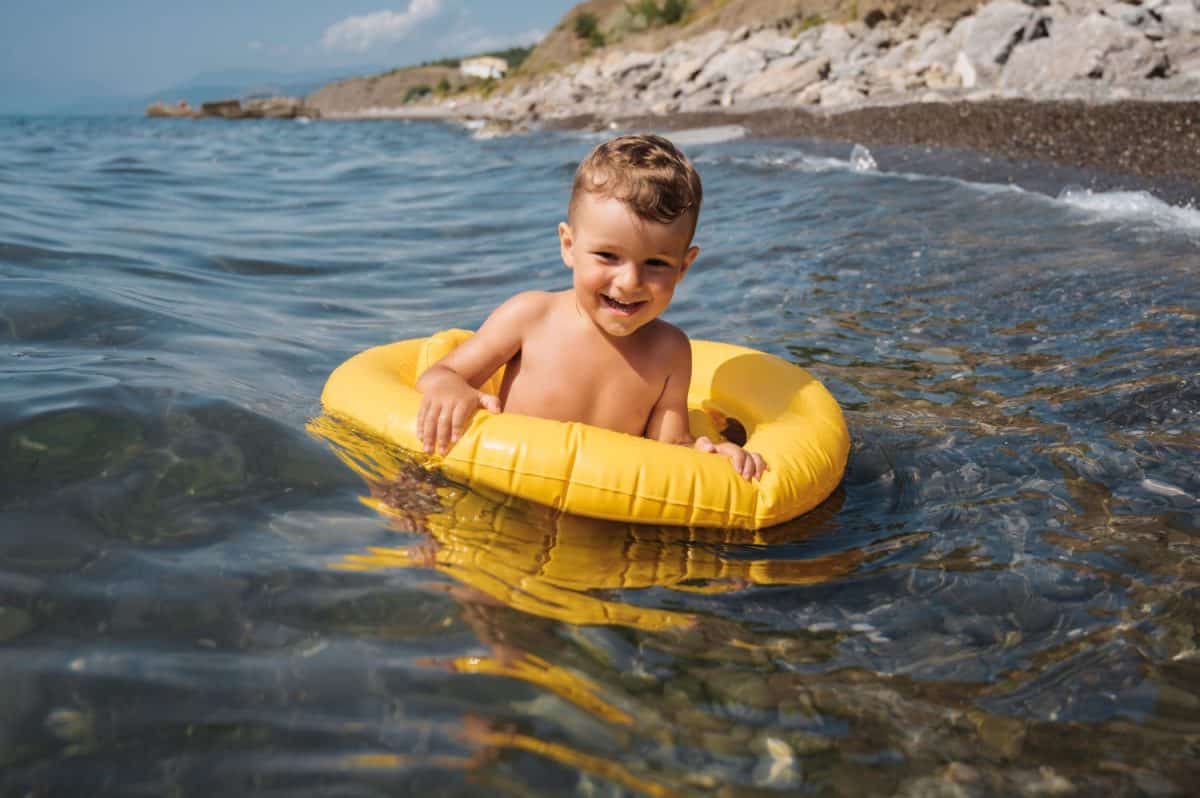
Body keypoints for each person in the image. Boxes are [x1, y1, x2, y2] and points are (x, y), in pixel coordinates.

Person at [415, 133, 767, 480]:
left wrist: (711, 454)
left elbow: (670, 448)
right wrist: (450, 389)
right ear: (569, 245)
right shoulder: (530, 317)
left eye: (656, 263)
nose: (630, 281)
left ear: (683, 267)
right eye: (608, 256)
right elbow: (440, 375)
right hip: (502, 480)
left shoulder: (670, 351)